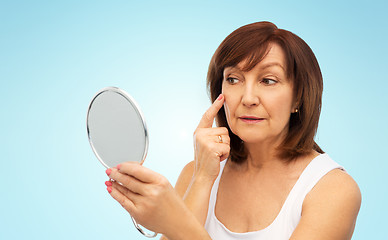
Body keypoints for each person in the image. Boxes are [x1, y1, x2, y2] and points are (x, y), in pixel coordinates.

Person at [104, 21, 361, 240]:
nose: (248, 98)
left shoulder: (333, 190)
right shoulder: (195, 173)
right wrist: (203, 178)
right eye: (234, 79)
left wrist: (174, 223)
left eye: (268, 80)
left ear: (298, 98)